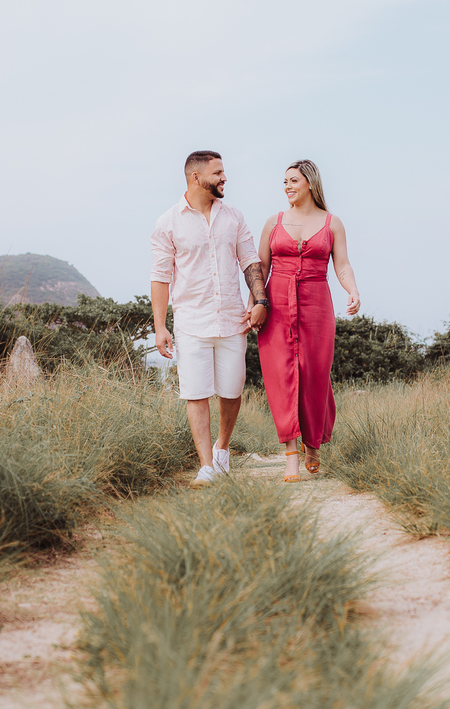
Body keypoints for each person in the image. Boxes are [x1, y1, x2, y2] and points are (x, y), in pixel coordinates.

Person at [151, 151, 269, 488]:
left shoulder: (233, 217)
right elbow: (160, 277)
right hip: (191, 321)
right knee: (196, 392)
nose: (224, 178)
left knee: (232, 390)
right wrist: (161, 327)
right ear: (195, 177)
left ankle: (222, 448)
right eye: (218, 173)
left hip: (233, 318)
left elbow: (249, 260)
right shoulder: (168, 222)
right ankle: (206, 465)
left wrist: (261, 300)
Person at [255, 159, 360, 481]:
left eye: (293, 181)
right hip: (278, 304)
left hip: (317, 305)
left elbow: (341, 265)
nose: (287, 186)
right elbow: (260, 268)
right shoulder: (274, 221)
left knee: (314, 375)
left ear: (310, 183)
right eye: (284, 181)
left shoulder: (332, 223)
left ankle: (313, 445)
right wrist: (256, 304)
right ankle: (290, 457)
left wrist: (353, 291)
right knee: (280, 377)